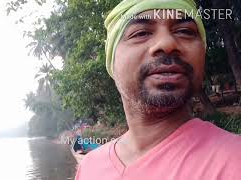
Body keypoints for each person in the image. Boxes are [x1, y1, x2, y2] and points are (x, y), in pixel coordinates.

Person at [75, 0, 241, 179]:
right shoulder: (90, 167)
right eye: (141, 33)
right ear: (111, 62)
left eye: (185, 31)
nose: (167, 43)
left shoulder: (234, 162)